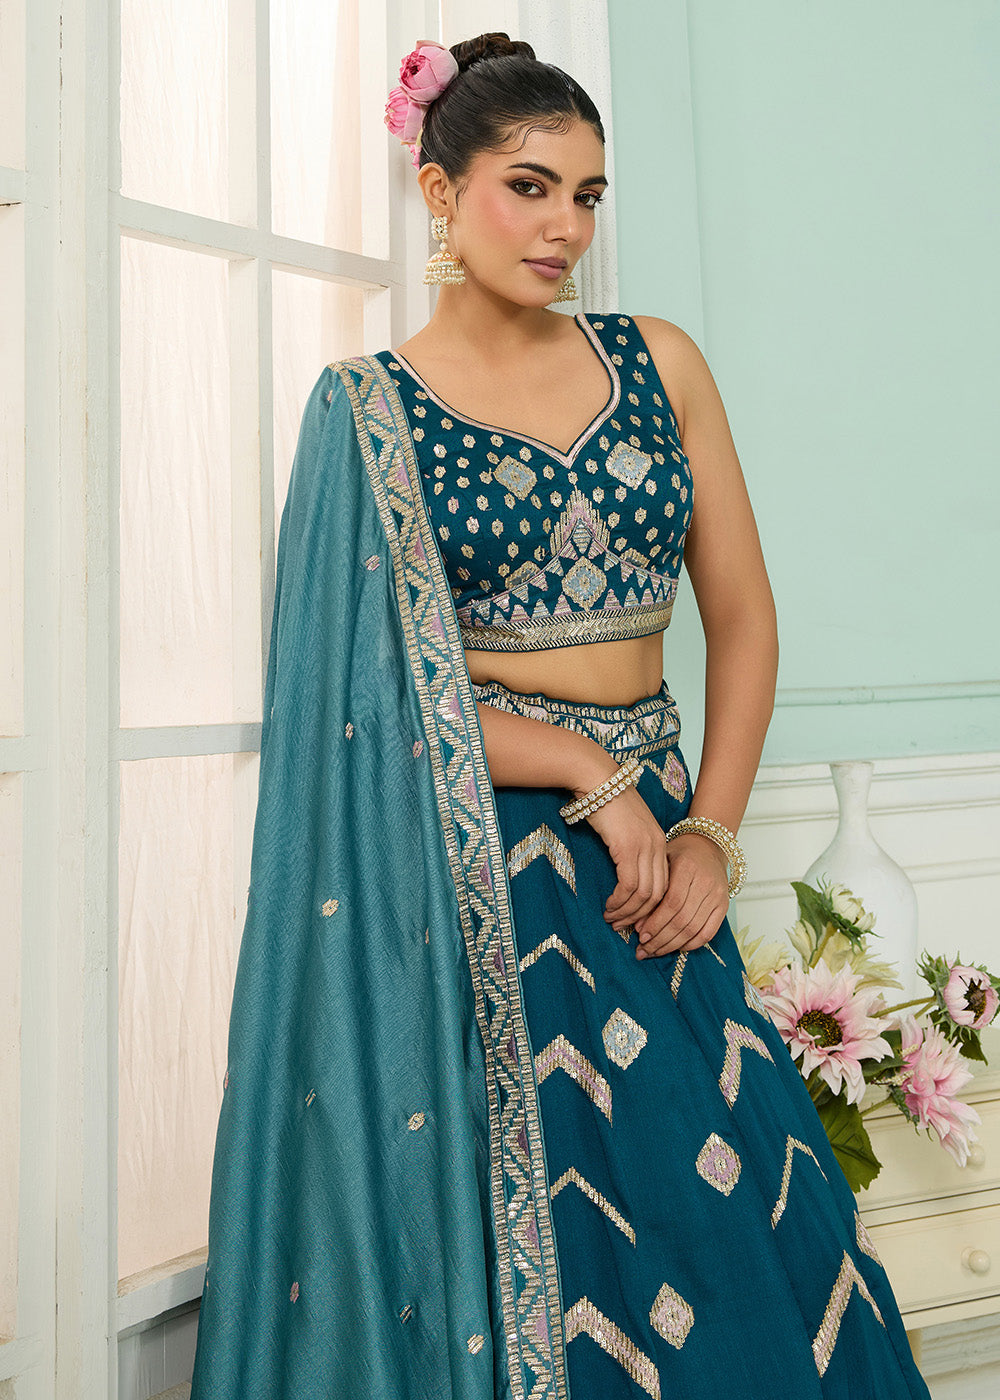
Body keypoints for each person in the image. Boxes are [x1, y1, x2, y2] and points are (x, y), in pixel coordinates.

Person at [189, 31, 932, 1400]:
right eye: (528, 188)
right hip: (493, 858)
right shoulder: (369, 411)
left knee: (733, 1211)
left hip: (662, 849)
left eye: (586, 195)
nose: (564, 227)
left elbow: (746, 620)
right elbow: (366, 689)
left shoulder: (659, 362)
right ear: (440, 190)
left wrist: (709, 832)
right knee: (558, 1216)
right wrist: (587, 767)